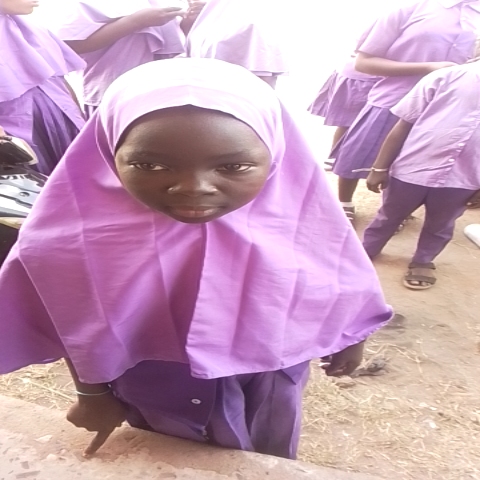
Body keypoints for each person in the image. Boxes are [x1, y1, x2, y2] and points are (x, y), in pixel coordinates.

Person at [0, 58, 392, 459]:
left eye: (233, 166)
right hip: (154, 382)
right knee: (170, 456)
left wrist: (351, 333)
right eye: (150, 165)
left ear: (275, 153)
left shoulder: (297, 217)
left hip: (266, 375)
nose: (194, 188)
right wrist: (92, 395)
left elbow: (336, 274)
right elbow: (68, 320)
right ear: (107, 150)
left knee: (265, 454)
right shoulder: (68, 240)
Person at [331, 0, 480, 224]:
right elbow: (364, 63)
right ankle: (344, 202)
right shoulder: (409, 8)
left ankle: (394, 209)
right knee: (360, 153)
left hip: (446, 107)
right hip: (395, 97)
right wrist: (427, 67)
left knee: (410, 160)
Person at [363, 63, 480, 289]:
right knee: (389, 216)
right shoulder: (445, 78)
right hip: (413, 169)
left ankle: (423, 260)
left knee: (441, 224)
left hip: (465, 178)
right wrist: (379, 167)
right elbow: (403, 125)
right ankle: (367, 249)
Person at [56, 0, 189, 117]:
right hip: (111, 96)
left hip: (164, 93)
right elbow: (70, 46)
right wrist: (135, 22)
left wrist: (191, 20)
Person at [0, 0, 85, 174]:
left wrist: (82, 123)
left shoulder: (32, 29)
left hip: (64, 123)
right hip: (18, 140)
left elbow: (60, 82)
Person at [186, 0, 287, 88]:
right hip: (208, 96)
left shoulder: (251, 24)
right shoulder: (206, 22)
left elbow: (264, 83)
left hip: (237, 98)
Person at [309, 56, 380, 172]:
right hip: (362, 78)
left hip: (373, 78)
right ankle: (336, 158)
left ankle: (339, 159)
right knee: (348, 123)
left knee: (364, 125)